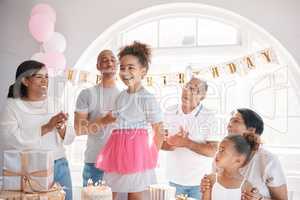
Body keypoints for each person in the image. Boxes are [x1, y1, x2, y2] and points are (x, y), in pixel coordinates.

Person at [95, 41, 165, 200]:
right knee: (109, 191)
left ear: (143, 71)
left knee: (135, 193)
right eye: (123, 67)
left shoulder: (147, 98)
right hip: (116, 149)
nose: (125, 72)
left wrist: (150, 156)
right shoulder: (120, 96)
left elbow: (159, 130)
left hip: (137, 151)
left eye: (131, 67)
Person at [0, 60, 75, 200]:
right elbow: (10, 139)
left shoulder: (54, 103)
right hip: (29, 169)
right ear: (25, 81)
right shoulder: (13, 106)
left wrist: (61, 127)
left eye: (46, 76)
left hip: (59, 164)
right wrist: (47, 127)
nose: (45, 80)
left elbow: (70, 138)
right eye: (39, 77)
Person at [201, 109, 288, 200]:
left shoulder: (268, 160)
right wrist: (207, 186)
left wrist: (260, 199)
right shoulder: (220, 157)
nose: (228, 125)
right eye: (229, 121)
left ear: (251, 130)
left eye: (235, 121)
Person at [162, 77, 217, 199]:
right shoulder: (169, 111)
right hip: (174, 180)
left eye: (194, 89)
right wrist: (174, 142)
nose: (188, 91)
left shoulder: (209, 116)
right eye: (187, 86)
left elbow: (213, 151)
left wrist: (186, 143)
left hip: (199, 183)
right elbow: (160, 144)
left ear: (202, 96)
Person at [74, 50, 120, 186]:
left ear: (117, 65)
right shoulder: (87, 94)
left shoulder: (125, 96)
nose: (110, 62)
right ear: (98, 66)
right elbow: (79, 129)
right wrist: (105, 121)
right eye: (105, 60)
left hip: (120, 164)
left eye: (113, 60)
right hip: (95, 163)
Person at [202, 133, 259, 200]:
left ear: (238, 159)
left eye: (222, 150)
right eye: (218, 149)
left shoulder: (246, 187)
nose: (217, 153)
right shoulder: (210, 179)